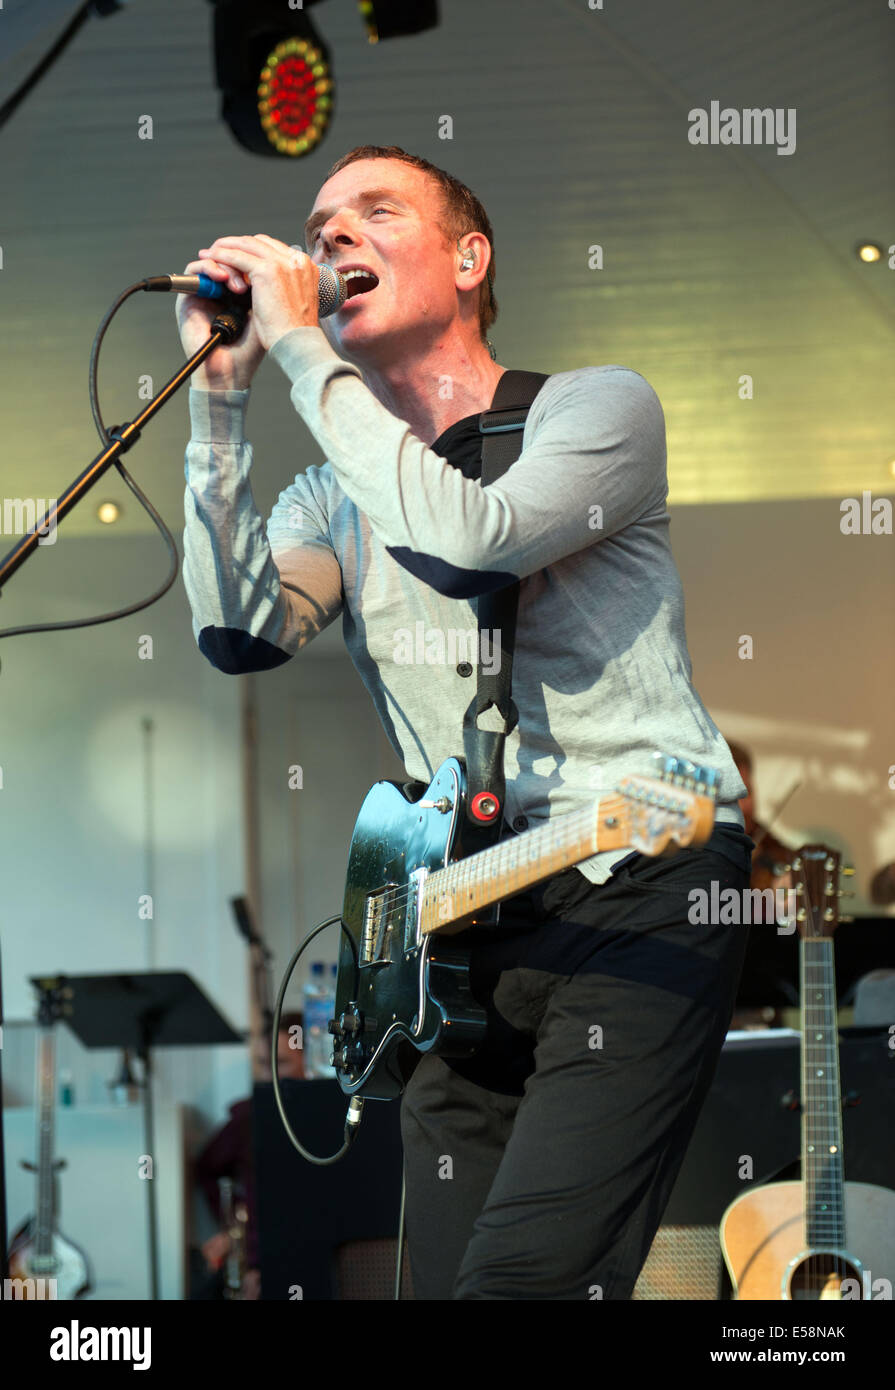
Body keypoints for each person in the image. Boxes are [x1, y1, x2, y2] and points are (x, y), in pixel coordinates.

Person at [177, 144, 753, 1300]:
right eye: (320, 221)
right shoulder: (329, 495)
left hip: (635, 885)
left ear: (470, 258)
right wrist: (219, 406)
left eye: (373, 214)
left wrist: (294, 347)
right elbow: (239, 630)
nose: (332, 237)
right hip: (458, 932)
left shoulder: (596, 407)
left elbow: (469, 539)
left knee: (520, 1284)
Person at [193, 1013, 305, 1299]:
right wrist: (232, 1231)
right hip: (255, 1262)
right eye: (263, 1065)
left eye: (281, 1063)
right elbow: (206, 1169)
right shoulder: (248, 1116)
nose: (269, 1075)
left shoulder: (328, 1119)